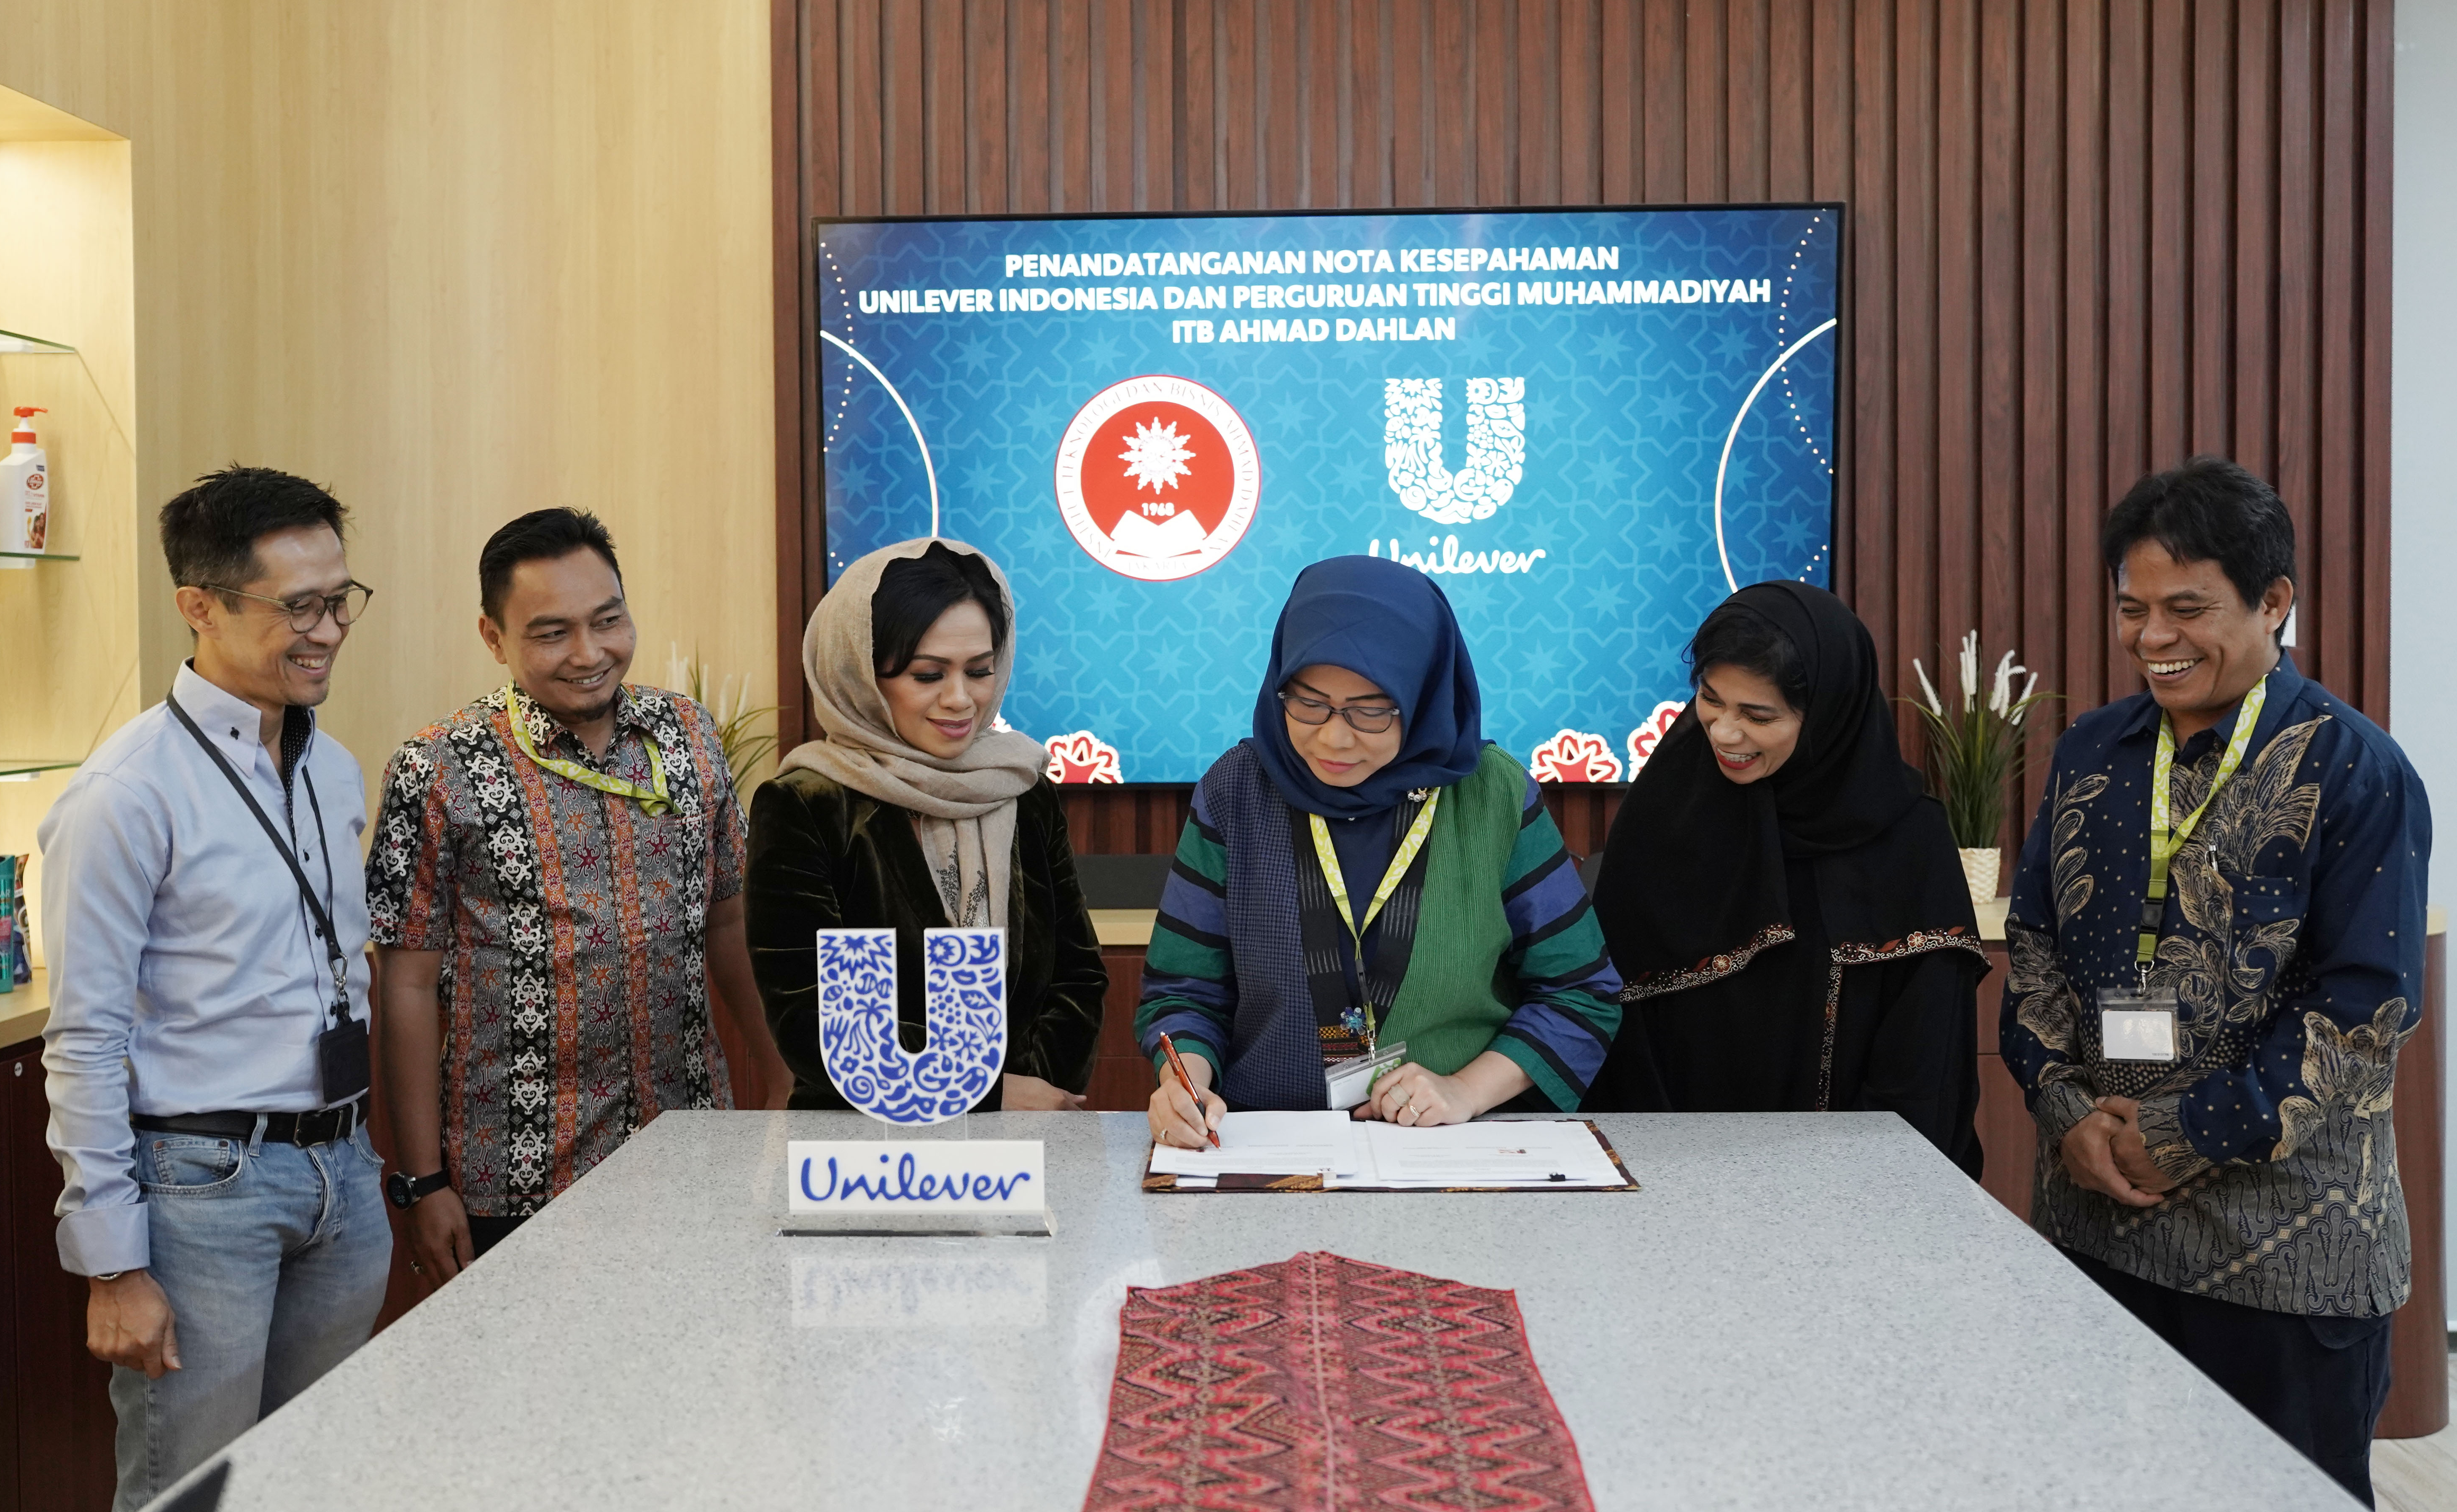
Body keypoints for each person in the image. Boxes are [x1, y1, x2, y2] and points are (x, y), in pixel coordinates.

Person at [2000, 457, 2428, 1506]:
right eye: (2131, 609)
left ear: (2272, 601)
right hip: (2094, 1227)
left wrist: (2182, 1131)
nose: (2153, 636)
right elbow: (2033, 946)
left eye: (2185, 609)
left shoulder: (2351, 767)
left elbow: (2361, 1012)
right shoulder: (2090, 752)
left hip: (2282, 1256)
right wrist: (2062, 1111)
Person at [39, 466, 388, 1512]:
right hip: (203, 1188)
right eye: (297, 606)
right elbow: (85, 1038)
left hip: (343, 1169)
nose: (327, 631)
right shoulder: (126, 792)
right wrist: (113, 1267)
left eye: (340, 600)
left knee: (312, 1497)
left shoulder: (332, 769)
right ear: (199, 605)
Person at [366, 508, 790, 1284]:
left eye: (608, 620)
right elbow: (407, 983)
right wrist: (422, 1181)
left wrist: (780, 1074)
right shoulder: (437, 767)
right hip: (515, 1166)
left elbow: (730, 920)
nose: (590, 654)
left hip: (688, 1142)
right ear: (494, 638)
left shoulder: (689, 735)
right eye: (552, 633)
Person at [1139, 556, 1621, 1147]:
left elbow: (1580, 994)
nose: (1334, 737)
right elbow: (1183, 991)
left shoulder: (1492, 795)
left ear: (1421, 696)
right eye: (1308, 703)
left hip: (1447, 1147)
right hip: (1265, 1145)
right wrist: (1184, 1081)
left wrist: (1464, 1090)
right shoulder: (1236, 791)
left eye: (1371, 711)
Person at [1584, 582, 1987, 1174]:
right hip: (1671, 1171)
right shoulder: (1665, 812)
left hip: (1857, 1188)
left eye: (1758, 715)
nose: (1724, 732)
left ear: (1826, 712)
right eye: (1710, 698)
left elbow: (1927, 1056)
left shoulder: (1907, 838)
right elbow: (1615, 1017)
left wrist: (1852, 1187)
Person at [745, 538, 1105, 1110]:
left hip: (1028, 1136)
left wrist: (1036, 1096)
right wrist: (992, 1097)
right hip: (867, 1145)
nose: (961, 699)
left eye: (979, 671)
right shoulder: (808, 806)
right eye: (928, 675)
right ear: (863, 673)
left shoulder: (1024, 787)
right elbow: (809, 1017)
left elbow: (1077, 976)